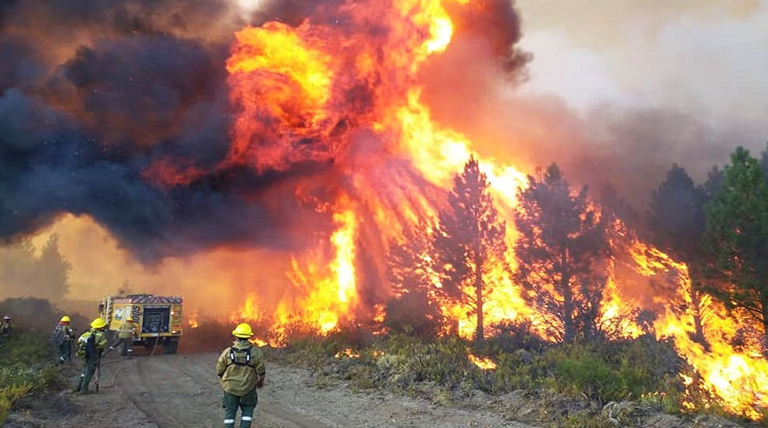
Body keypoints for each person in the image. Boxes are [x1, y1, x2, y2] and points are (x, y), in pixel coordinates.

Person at [216, 323, 266, 428]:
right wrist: (260, 381)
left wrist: (224, 382)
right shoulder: (255, 353)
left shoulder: (227, 352)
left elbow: (219, 370)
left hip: (230, 388)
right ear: (249, 337)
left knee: (230, 411)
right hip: (248, 388)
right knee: (248, 409)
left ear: (236, 336)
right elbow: (261, 371)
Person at [75, 317, 109, 393]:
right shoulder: (100, 334)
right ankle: (83, 390)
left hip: (83, 354)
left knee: (84, 371)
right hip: (92, 355)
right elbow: (102, 345)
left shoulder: (87, 333)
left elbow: (79, 341)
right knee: (89, 372)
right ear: (101, 327)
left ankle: (78, 387)